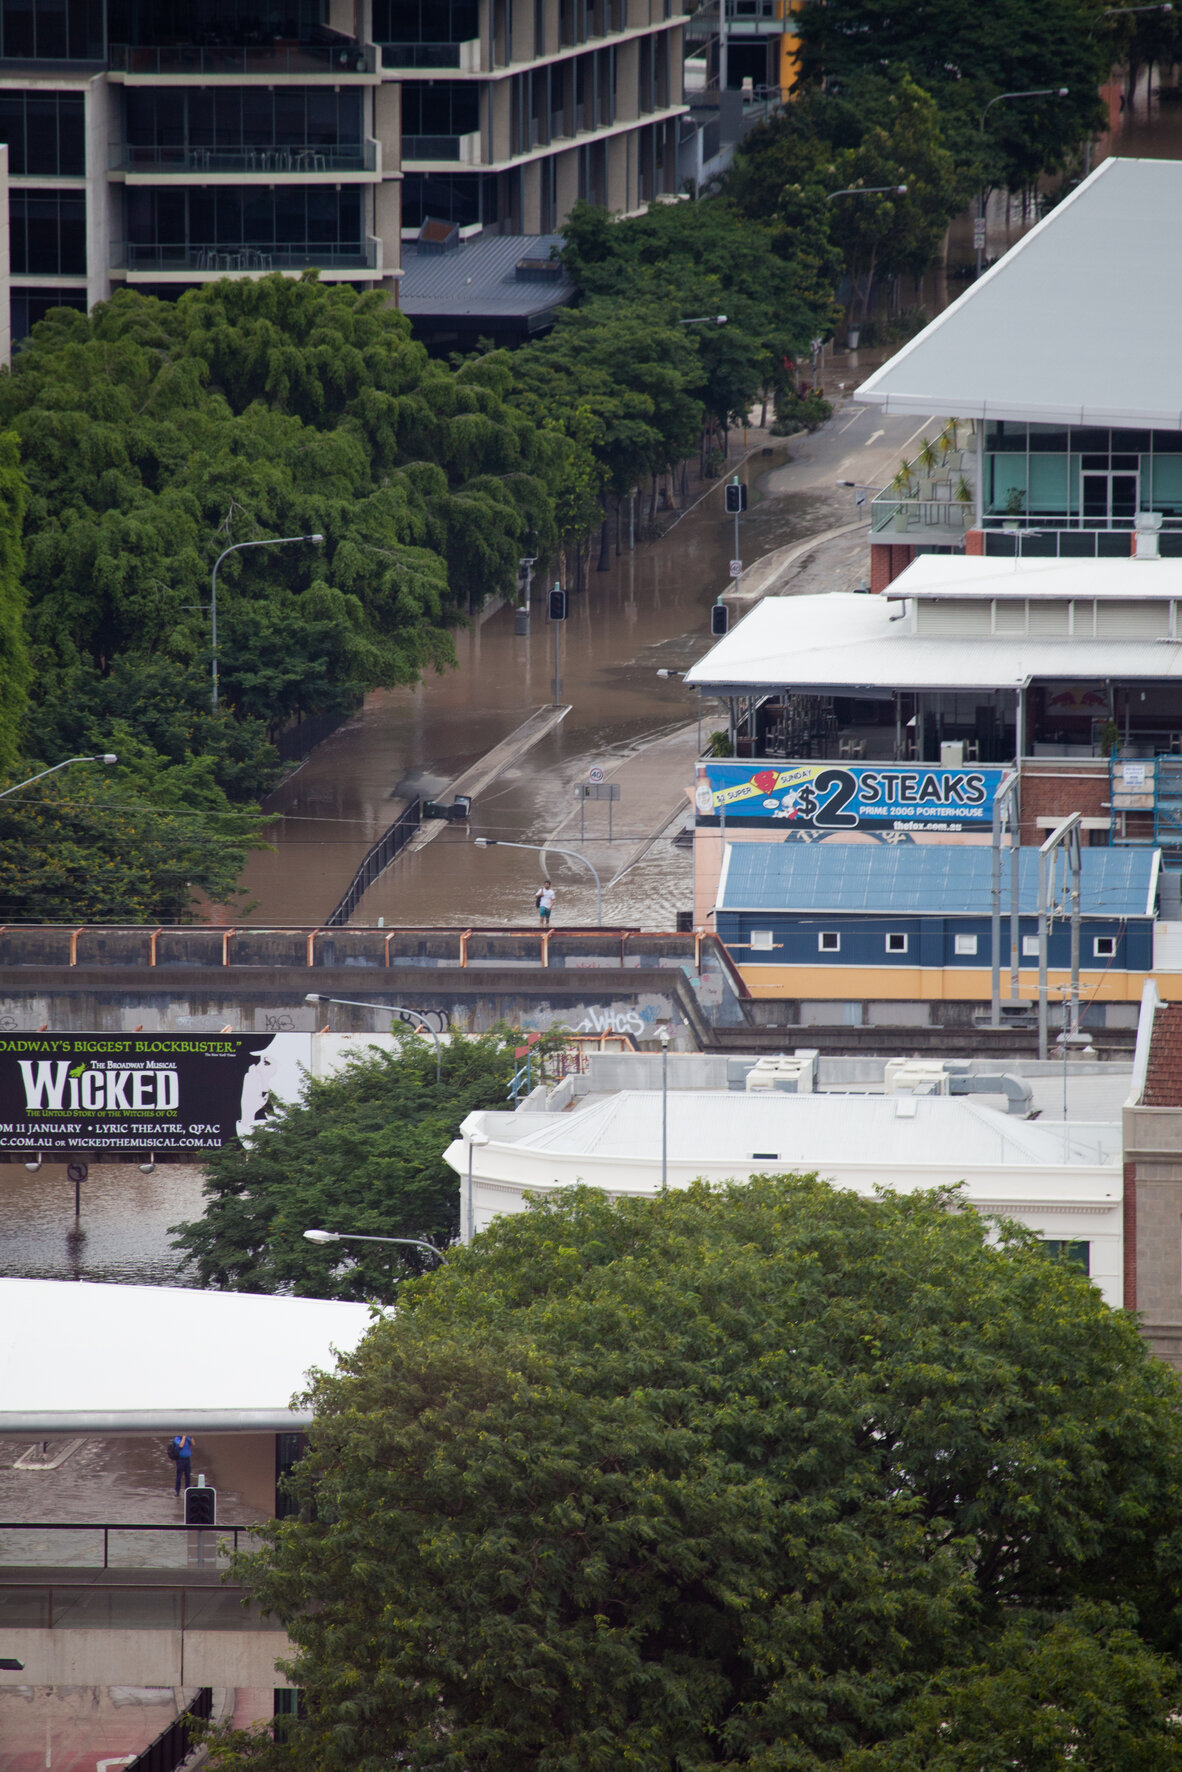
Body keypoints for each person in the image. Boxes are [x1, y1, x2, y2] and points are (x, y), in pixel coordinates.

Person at [171, 1432, 193, 1496]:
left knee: (188, 1476)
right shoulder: (177, 1438)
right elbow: (181, 1445)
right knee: (179, 1476)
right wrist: (183, 1437)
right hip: (180, 1460)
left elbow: (193, 1444)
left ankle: (187, 1491)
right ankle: (177, 1491)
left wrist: (191, 1437)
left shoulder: (187, 1438)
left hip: (187, 1459)